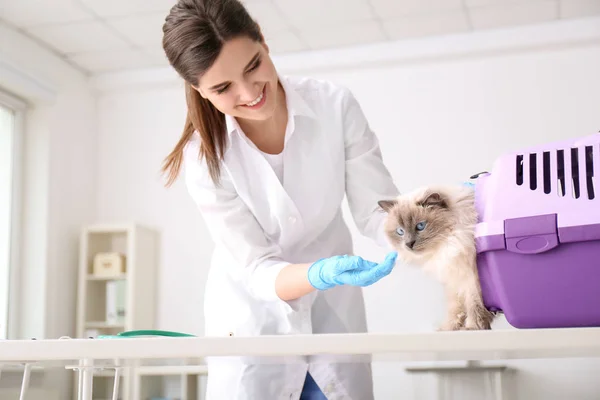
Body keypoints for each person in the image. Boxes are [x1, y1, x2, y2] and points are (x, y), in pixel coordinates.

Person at [160, 1, 400, 399]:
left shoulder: (334, 106)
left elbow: (378, 210)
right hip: (253, 330)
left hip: (333, 322)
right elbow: (257, 269)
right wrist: (319, 273)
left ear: (263, 40)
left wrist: (427, 226)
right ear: (199, 90)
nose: (250, 92)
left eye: (253, 65)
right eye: (222, 88)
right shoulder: (204, 159)